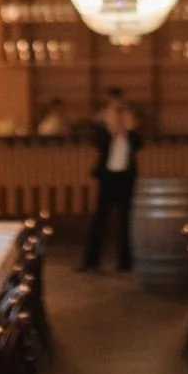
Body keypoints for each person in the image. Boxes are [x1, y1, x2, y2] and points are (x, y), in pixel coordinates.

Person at [80, 91, 141, 272]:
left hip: (126, 179)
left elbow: (139, 145)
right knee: (99, 220)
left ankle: (126, 263)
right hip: (107, 178)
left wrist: (128, 129)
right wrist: (109, 128)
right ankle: (91, 262)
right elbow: (98, 144)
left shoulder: (131, 132)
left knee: (126, 221)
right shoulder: (104, 131)